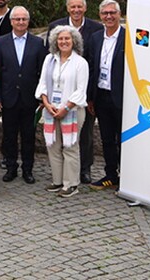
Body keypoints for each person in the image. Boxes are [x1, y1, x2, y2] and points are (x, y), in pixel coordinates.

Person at [46, 0, 104, 184]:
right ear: (67, 8)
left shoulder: (96, 29)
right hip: (56, 97)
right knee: (57, 141)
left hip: (83, 94)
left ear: (85, 8)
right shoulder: (56, 26)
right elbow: (50, 61)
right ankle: (61, 175)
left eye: (80, 7)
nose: (76, 10)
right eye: (73, 7)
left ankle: (84, 169)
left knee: (85, 133)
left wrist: (89, 97)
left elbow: (95, 62)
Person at [0, 6, 48, 185]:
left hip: (30, 98)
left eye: (24, 19)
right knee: (9, 135)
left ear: (28, 21)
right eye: (17, 19)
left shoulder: (38, 43)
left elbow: (42, 72)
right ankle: (11, 168)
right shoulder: (1, 42)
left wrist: (41, 97)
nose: (20, 22)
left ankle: (28, 169)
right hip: (9, 98)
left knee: (29, 135)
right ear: (11, 21)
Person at [37, 26, 89, 198]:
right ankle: (57, 181)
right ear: (55, 41)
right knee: (53, 146)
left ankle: (71, 184)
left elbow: (81, 90)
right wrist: (46, 103)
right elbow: (43, 83)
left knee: (70, 146)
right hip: (51, 110)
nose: (64, 42)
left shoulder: (80, 63)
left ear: (74, 40)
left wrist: (65, 108)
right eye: (60, 39)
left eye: (67, 38)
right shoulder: (49, 59)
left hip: (72, 111)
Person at [86, 0, 125, 190]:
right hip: (101, 96)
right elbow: (92, 68)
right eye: (105, 13)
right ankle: (111, 174)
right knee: (107, 139)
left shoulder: (130, 36)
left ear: (119, 14)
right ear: (100, 16)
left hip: (122, 97)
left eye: (112, 13)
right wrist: (90, 97)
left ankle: (127, 177)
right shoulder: (95, 38)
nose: (109, 16)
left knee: (123, 139)